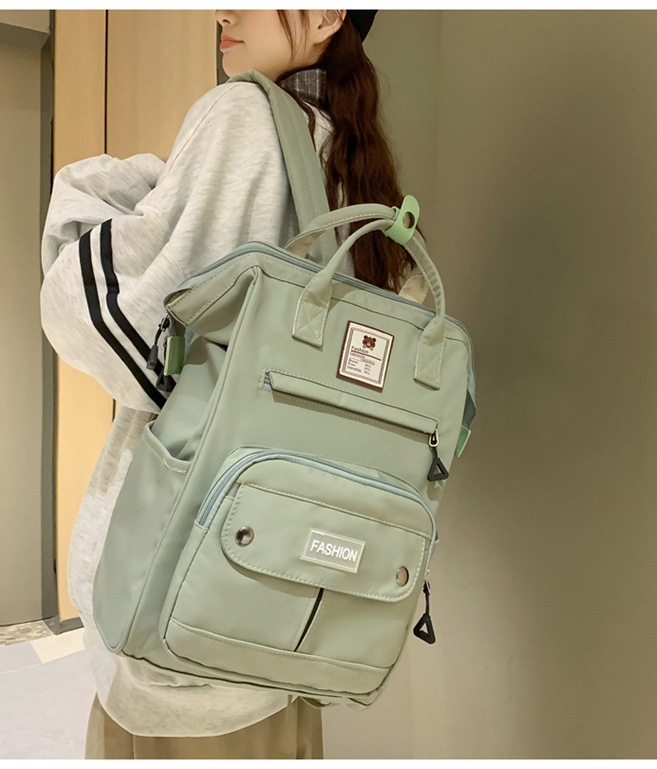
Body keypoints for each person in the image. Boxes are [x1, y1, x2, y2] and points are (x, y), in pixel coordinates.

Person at [39, 8, 429, 761]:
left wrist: (99, 192)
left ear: (327, 13)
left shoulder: (243, 116)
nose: (221, 9)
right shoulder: (354, 166)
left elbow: (113, 317)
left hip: (184, 623)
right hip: (294, 624)